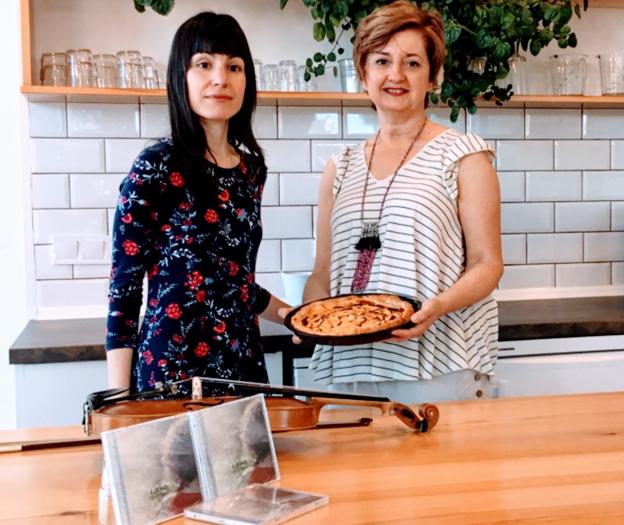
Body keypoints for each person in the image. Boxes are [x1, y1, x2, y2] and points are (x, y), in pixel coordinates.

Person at [302, 0, 503, 403]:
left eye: (412, 63)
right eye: (381, 61)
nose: (395, 75)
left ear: (433, 77)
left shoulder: (464, 155)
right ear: (363, 74)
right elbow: (322, 272)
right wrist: (313, 317)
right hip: (347, 368)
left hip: (438, 366)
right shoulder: (338, 168)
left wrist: (437, 306)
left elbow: (488, 264)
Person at [105, 11, 289, 393]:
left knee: (246, 457)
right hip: (172, 370)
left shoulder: (251, 172)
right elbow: (124, 288)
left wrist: (292, 317)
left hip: (243, 366)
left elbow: (234, 281)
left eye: (233, 67)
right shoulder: (156, 165)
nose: (221, 78)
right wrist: (118, 399)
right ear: (181, 76)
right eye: (204, 64)